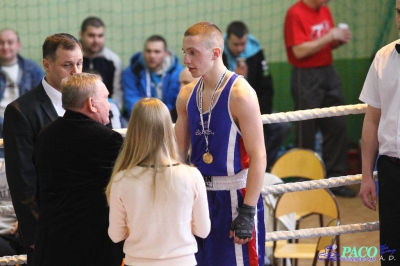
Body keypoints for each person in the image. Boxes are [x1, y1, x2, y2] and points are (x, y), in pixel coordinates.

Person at [176, 21, 266, 266]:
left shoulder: (241, 94)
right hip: (198, 198)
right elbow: (176, 157)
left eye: (193, 53)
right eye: (185, 52)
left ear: (215, 53)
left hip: (235, 199)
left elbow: (259, 157)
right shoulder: (186, 95)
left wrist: (247, 212)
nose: (186, 60)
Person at [3, 33, 83, 265]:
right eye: (67, 65)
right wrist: (36, 233)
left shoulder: (90, 100)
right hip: (47, 226)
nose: (76, 72)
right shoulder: (21, 111)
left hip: (88, 221)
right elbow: (21, 181)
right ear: (46, 65)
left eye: (79, 63)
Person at [32, 73, 123, 266]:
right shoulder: (107, 140)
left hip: (50, 244)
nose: (109, 105)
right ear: (92, 103)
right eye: (106, 98)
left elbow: (40, 190)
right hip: (92, 248)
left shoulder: (45, 134)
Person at [106, 97, 210, 266]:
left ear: (133, 131)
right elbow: (203, 231)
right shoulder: (192, 176)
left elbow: (116, 235)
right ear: (168, 129)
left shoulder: (121, 179)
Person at [284, 0, 355, 197]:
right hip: (305, 75)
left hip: (328, 72)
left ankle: (336, 180)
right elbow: (299, 51)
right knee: (306, 130)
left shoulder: (325, 10)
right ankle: (305, 182)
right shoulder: (295, 13)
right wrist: (329, 36)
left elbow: (322, 45)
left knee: (337, 125)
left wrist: (336, 40)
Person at [359, 1, 400, 263]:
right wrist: (366, 176)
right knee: (391, 253)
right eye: (399, 12)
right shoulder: (383, 57)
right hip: (391, 170)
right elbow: (372, 121)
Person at [223, 21, 291, 168]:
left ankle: (262, 166)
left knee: (282, 126)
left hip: (254, 109)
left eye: (243, 44)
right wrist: (234, 77)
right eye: (235, 45)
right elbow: (214, 89)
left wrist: (259, 117)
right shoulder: (217, 54)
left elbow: (267, 88)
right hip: (225, 111)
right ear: (227, 40)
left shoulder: (256, 53)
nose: (240, 48)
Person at [122, 35, 183, 117]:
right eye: (148, 51)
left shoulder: (179, 73)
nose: (152, 56)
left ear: (165, 54)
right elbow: (132, 102)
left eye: (157, 52)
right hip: (142, 119)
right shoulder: (131, 72)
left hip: (170, 118)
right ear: (143, 52)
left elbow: (179, 103)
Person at [0, 28, 43, 139]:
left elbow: (41, 98)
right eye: (1, 42)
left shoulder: (33, 69)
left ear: (18, 45)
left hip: (26, 122)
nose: (5, 47)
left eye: (10, 42)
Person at [80, 16, 123, 107]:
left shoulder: (113, 60)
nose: (96, 40)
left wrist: (111, 112)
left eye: (100, 36)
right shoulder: (72, 59)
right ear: (81, 34)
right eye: (91, 35)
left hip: (106, 110)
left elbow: (117, 93)